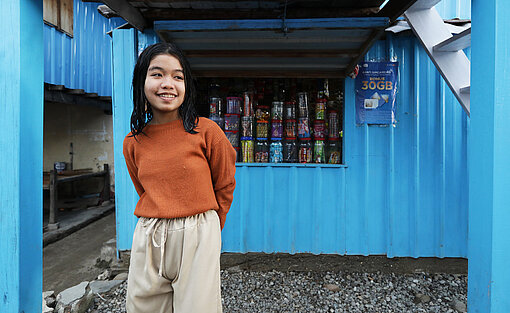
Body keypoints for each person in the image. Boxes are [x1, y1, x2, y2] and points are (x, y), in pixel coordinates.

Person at [122, 42, 236, 313]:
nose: (168, 84)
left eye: (177, 76)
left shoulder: (207, 132)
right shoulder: (133, 142)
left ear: (186, 86)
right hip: (149, 233)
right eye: (157, 74)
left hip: (198, 231)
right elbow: (144, 188)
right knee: (142, 306)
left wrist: (209, 229)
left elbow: (225, 183)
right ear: (142, 82)